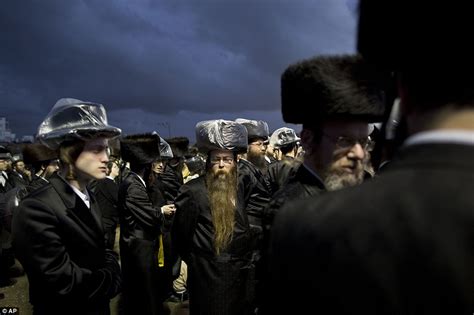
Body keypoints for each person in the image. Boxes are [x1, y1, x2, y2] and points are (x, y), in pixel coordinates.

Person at [262, 1, 474, 314]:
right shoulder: (290, 212)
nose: (359, 153)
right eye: (345, 140)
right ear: (307, 140)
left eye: (364, 141)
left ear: (403, 90)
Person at [12, 98, 122, 315]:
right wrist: (113, 275)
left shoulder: (87, 194)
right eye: (97, 149)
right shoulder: (36, 207)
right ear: (69, 153)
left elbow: (101, 249)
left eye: (107, 150)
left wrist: (109, 265)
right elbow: (63, 283)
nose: (107, 158)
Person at [172, 119, 257, 315]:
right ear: (208, 162)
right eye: (215, 159)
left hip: (241, 278)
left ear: (236, 163)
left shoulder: (240, 187)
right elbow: (180, 237)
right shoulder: (192, 191)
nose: (221, 165)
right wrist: (205, 260)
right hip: (210, 280)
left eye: (227, 160)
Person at [118, 133, 175, 315]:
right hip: (138, 249)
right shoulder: (134, 186)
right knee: (143, 294)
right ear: (146, 165)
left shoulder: (135, 181)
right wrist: (162, 211)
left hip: (139, 246)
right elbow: (149, 216)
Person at [91, 158, 121, 250]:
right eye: (115, 167)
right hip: (107, 221)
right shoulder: (109, 183)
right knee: (108, 247)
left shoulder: (102, 182)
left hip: (102, 219)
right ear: (108, 170)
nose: (118, 169)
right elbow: (119, 200)